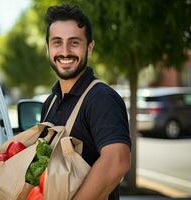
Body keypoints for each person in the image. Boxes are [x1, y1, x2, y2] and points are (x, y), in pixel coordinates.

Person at [41, 4, 131, 200]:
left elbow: (117, 160)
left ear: (89, 47)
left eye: (74, 43)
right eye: (57, 42)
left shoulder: (101, 99)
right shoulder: (50, 102)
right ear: (47, 47)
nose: (64, 52)